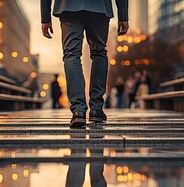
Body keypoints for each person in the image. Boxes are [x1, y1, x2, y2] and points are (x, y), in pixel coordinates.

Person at [41, 0, 129, 128]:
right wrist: (123, 15)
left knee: (71, 54)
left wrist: (45, 16)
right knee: (99, 53)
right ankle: (97, 109)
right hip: (100, 6)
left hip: (68, 5)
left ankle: (78, 110)